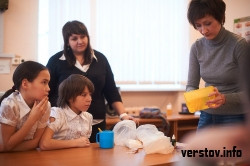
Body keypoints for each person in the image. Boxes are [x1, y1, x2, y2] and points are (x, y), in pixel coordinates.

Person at [46, 20, 135, 142]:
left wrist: (123, 115)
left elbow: (111, 91)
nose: (80, 41)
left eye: (83, 37)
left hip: (97, 121)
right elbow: (46, 92)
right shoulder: (55, 61)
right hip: (64, 125)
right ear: (67, 41)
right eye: (74, 38)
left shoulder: (101, 59)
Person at [186, 0, 249, 129]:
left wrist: (225, 98)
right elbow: (191, 85)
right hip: (206, 114)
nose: (203, 30)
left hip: (235, 116)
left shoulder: (239, 45)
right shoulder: (197, 48)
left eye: (207, 23)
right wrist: (193, 96)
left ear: (220, 18)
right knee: (200, 149)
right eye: (198, 25)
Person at [0, 61, 51, 152]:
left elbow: (36, 142)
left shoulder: (45, 105)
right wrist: (32, 119)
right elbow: (7, 145)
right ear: (25, 84)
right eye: (44, 82)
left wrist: (7, 148)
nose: (48, 88)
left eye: (48, 83)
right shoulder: (10, 105)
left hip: (30, 154)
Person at [39, 74, 94, 150]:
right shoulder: (57, 114)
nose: (89, 99)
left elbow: (84, 143)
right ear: (69, 97)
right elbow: (44, 144)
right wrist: (75, 143)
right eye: (83, 95)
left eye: (90, 95)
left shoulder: (88, 117)